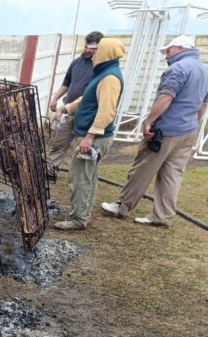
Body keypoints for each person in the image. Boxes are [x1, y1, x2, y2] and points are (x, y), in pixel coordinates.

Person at [101, 35, 208, 227]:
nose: (166, 56)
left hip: (166, 130)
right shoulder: (206, 71)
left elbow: (166, 98)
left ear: (180, 47)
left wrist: (149, 121)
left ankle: (122, 206)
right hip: (188, 131)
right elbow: (203, 104)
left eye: (168, 51)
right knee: (172, 175)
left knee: (142, 169)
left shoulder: (177, 68)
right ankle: (162, 217)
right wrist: (192, 122)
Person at [54, 37, 126, 231]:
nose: (93, 53)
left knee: (80, 177)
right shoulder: (102, 73)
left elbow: (106, 111)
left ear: (106, 53)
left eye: (97, 50)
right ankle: (82, 212)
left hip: (93, 138)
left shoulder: (110, 78)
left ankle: (78, 218)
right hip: (90, 134)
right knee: (88, 176)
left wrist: (89, 137)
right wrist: (66, 108)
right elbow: (86, 99)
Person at [47, 31, 104, 169]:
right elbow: (66, 83)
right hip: (67, 110)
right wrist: (55, 99)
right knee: (59, 142)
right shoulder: (76, 63)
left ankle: (79, 175)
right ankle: (50, 170)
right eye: (86, 46)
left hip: (86, 114)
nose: (87, 50)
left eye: (92, 48)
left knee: (81, 148)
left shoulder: (100, 68)